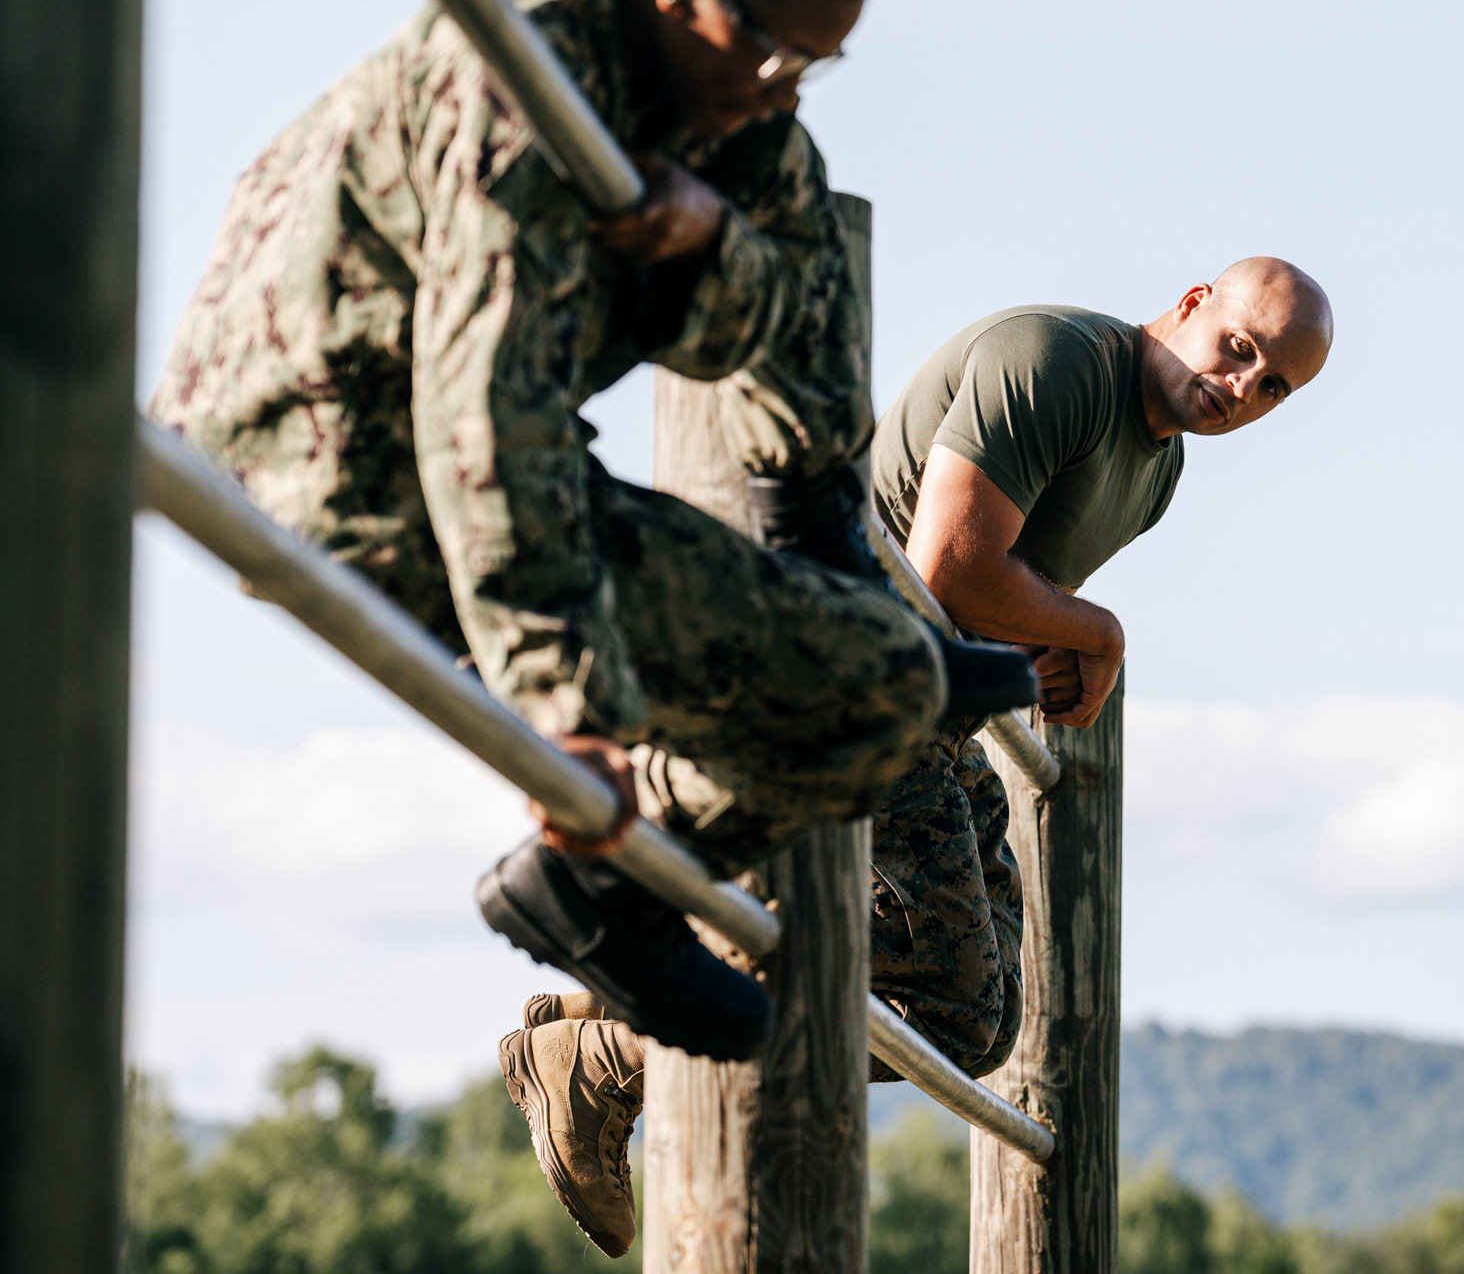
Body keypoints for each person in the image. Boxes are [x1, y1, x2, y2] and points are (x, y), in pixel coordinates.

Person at [149, 0, 1036, 1227]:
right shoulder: (531, 73)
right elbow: (478, 413)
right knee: (839, 688)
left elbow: (794, 302)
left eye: (818, 57)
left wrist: (817, 529)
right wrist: (572, 717)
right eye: (763, 44)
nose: (775, 81)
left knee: (881, 683)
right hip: (334, 456)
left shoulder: (742, 95)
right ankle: (589, 867)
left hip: (501, 453)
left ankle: (610, 896)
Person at [504, 257, 1335, 1256]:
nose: (1242, 384)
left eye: (1273, 386)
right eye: (1239, 348)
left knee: (980, 1025)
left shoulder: (1156, 472)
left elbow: (1000, 603)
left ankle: (609, 1004)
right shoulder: (1059, 361)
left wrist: (1051, 649)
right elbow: (950, 567)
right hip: (836, 673)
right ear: (1195, 301)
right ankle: (609, 1056)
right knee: (952, 993)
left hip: (922, 707)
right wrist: (1098, 634)